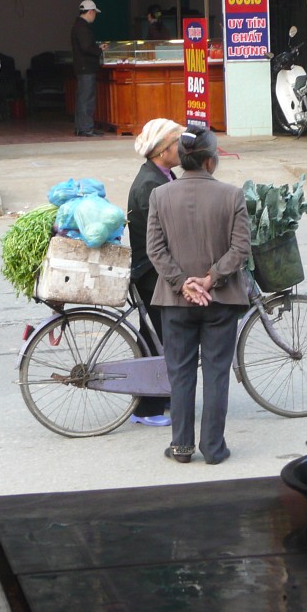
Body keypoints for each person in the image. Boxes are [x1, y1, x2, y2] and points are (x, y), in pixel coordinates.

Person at [146, 126, 250, 465]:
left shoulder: (160, 196)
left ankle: (181, 447)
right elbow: (240, 249)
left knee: (181, 373)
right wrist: (210, 279)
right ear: (209, 162)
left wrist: (183, 283)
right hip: (221, 301)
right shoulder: (232, 195)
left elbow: (155, 250)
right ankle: (214, 448)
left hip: (175, 301)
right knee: (217, 373)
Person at [126, 118, 184, 427]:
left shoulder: (163, 175)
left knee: (163, 336)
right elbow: (162, 238)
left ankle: (165, 397)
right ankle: (146, 408)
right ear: (162, 150)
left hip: (155, 269)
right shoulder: (150, 183)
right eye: (177, 143)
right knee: (157, 338)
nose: (181, 148)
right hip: (151, 273)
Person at [71, 0, 103, 137]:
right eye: (94, 13)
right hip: (86, 67)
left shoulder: (78, 25)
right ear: (90, 12)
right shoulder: (82, 27)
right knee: (86, 98)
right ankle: (86, 128)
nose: (94, 16)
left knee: (82, 98)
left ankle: (81, 127)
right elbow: (86, 47)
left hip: (82, 67)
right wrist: (98, 50)